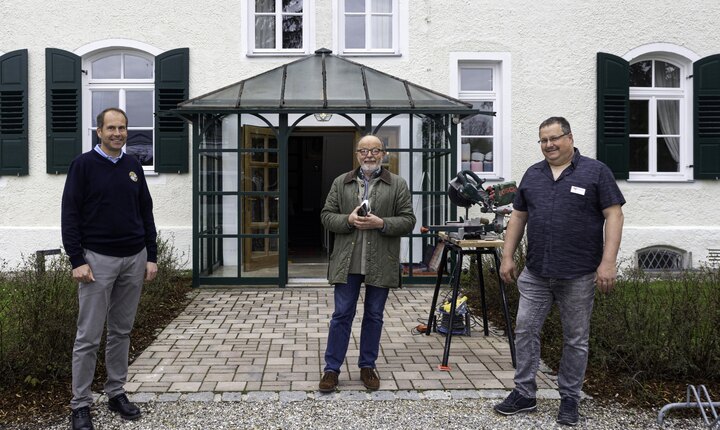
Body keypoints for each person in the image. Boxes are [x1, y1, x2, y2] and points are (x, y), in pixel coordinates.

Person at [494, 117, 625, 426]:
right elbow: (518, 217)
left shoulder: (596, 172)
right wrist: (507, 256)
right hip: (537, 272)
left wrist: (608, 262)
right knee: (525, 330)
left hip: (579, 274)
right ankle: (524, 393)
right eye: (543, 140)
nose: (549, 145)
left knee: (576, 339)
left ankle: (569, 398)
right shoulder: (533, 174)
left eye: (554, 138)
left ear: (569, 138)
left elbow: (614, 214)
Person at [62, 107, 158, 430]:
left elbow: (146, 211)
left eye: (122, 128)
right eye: (111, 128)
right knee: (88, 335)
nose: (117, 133)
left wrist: (151, 255)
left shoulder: (133, 166)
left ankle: (116, 391)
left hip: (134, 257)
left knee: (121, 331)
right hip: (96, 261)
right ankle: (80, 404)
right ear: (99, 132)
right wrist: (76, 259)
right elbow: (70, 214)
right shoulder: (83, 166)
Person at [318, 134, 416, 392]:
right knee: (341, 316)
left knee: (374, 316)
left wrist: (381, 223)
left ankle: (367, 366)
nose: (369, 155)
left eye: (375, 150)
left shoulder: (397, 184)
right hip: (347, 263)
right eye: (364, 150)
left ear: (383, 154)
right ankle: (331, 369)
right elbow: (326, 216)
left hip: (381, 262)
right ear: (357, 154)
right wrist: (348, 220)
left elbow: (408, 220)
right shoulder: (342, 182)